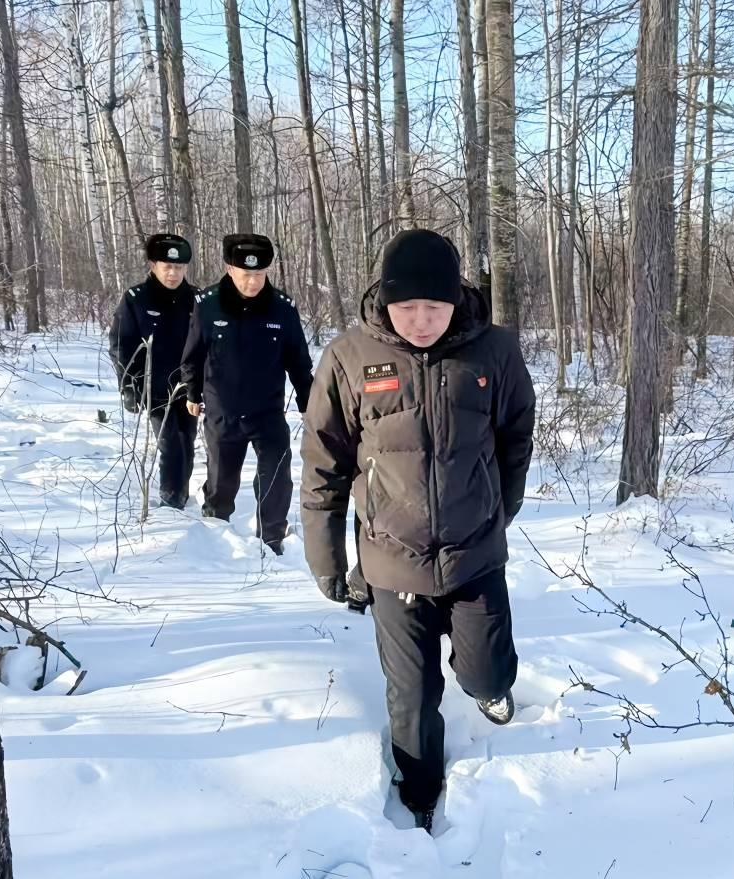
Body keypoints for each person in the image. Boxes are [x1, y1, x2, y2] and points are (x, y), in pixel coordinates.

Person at [300, 228, 536, 833]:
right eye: (407, 307)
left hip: (474, 552)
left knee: (486, 671)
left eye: (435, 306)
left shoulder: (494, 351)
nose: (422, 321)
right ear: (386, 299)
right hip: (391, 557)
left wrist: (499, 511)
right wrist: (327, 560)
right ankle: (419, 794)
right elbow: (324, 464)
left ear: (456, 298)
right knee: (411, 694)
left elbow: (515, 437)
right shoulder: (349, 357)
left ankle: (489, 685)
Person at [181, 233, 314, 555]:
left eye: (259, 274)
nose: (252, 282)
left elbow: (298, 360)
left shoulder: (282, 308)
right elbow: (193, 355)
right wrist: (192, 392)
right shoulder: (208, 304)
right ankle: (216, 533)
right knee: (222, 481)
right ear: (230, 269)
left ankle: (272, 538)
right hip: (222, 411)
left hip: (267, 411)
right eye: (245, 274)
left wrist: (308, 400)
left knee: (276, 478)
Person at [109, 233, 199, 509]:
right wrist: (128, 386)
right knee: (170, 444)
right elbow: (121, 345)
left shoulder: (196, 299)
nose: (173, 273)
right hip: (155, 388)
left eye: (179, 268)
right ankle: (170, 502)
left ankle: (181, 497)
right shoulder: (136, 299)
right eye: (167, 267)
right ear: (153, 265)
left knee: (186, 443)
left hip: (189, 388)